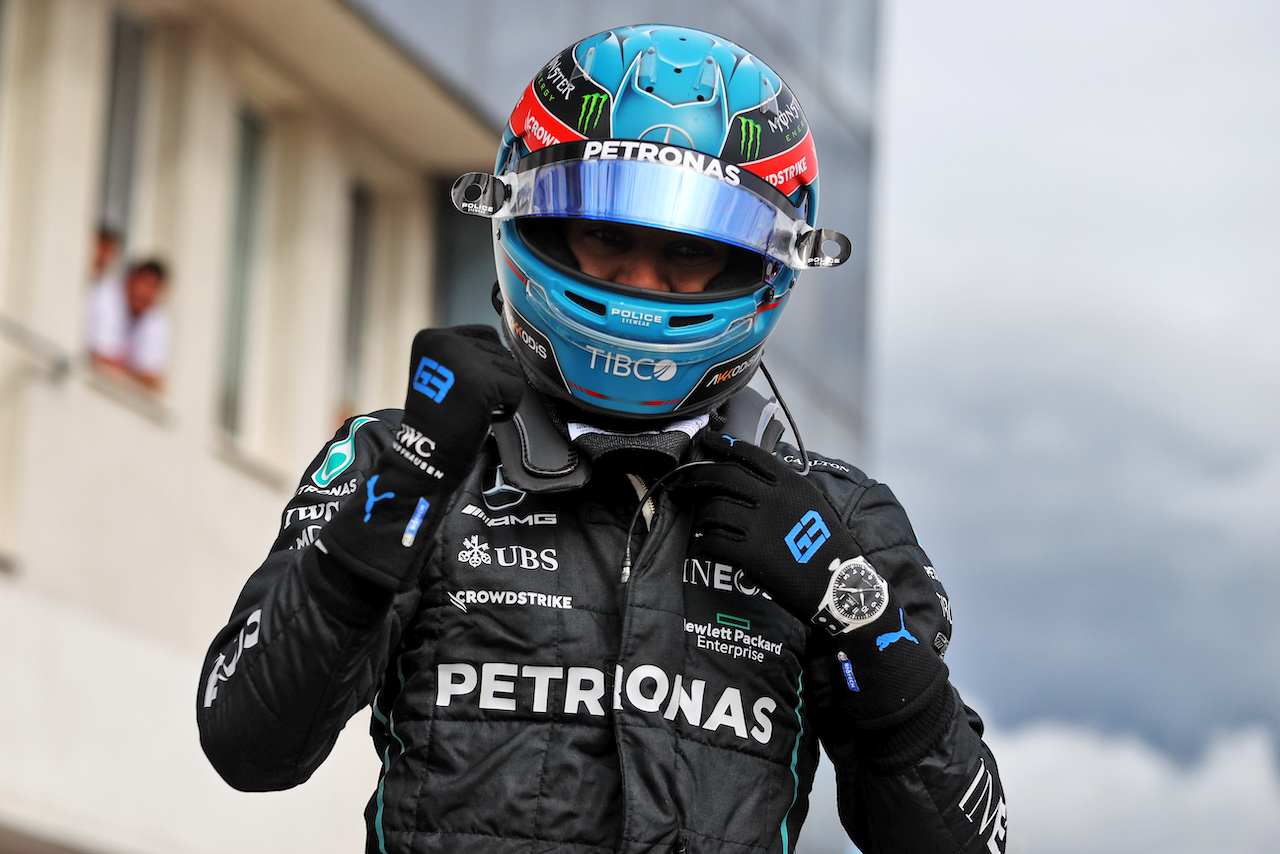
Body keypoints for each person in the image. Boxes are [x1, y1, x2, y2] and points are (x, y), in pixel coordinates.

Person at [197, 24, 1007, 854]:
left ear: (761, 265)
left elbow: (969, 843)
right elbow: (247, 741)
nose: (640, 283)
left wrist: (854, 610)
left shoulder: (839, 520)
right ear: (533, 222)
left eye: (688, 252)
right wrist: (405, 489)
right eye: (608, 235)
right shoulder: (406, 461)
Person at [86, 253, 171, 390]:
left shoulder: (157, 319)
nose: (146, 292)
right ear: (129, 280)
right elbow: (101, 361)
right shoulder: (105, 297)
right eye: (144, 283)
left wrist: (122, 368)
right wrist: (135, 373)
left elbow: (153, 383)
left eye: (154, 288)